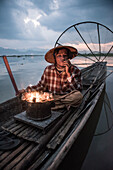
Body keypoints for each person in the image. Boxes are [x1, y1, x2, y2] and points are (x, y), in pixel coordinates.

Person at [20, 46, 83, 110]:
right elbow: (41, 86)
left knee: (78, 96)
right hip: (51, 97)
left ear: (68, 58)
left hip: (66, 97)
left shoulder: (75, 70)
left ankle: (54, 105)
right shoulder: (48, 69)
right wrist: (27, 90)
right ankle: (62, 105)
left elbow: (78, 89)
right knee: (37, 96)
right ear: (55, 58)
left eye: (65, 55)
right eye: (59, 56)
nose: (62, 58)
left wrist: (68, 74)